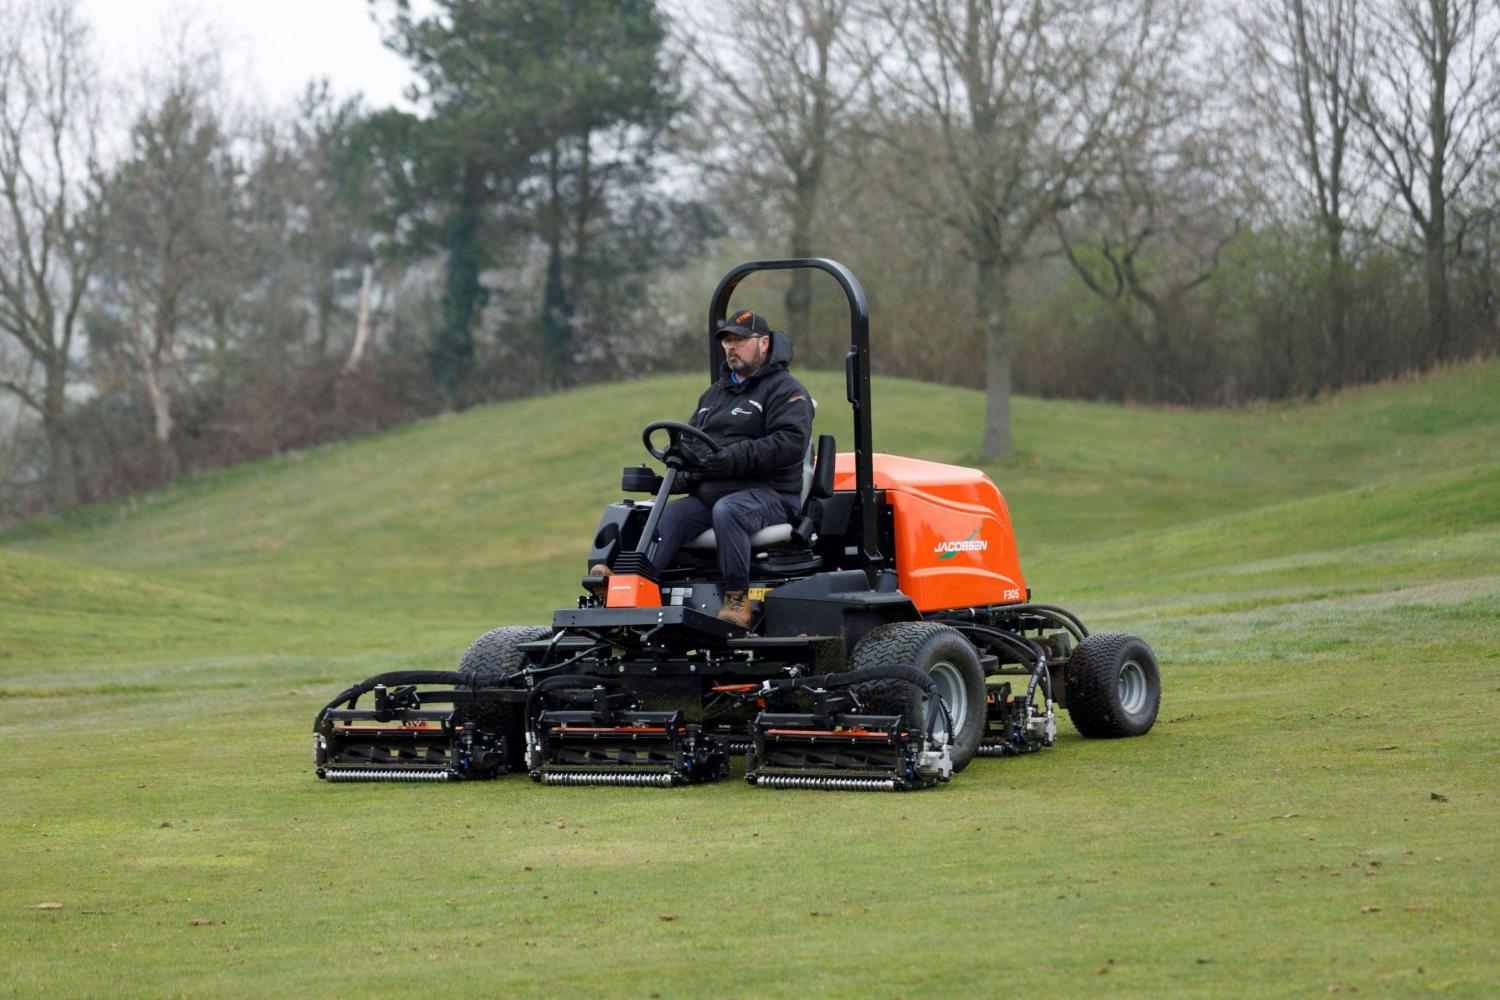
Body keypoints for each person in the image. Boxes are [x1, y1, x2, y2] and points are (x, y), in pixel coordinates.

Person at [594, 309, 813, 628]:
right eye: (726, 340)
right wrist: (670, 478)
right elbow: (695, 448)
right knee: (668, 514)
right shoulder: (713, 396)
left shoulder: (786, 390)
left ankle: (737, 601)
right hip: (713, 492)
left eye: (739, 339)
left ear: (763, 343)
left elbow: (790, 443)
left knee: (729, 510)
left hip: (770, 496)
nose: (730, 347)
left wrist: (731, 457)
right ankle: (630, 590)